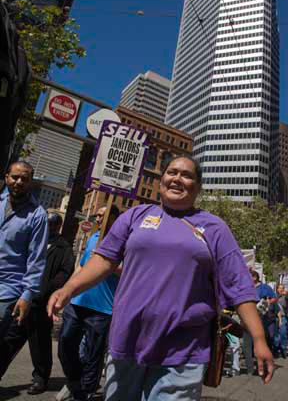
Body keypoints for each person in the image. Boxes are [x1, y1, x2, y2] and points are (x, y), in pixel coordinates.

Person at [48, 156, 274, 401]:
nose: (177, 178)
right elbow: (104, 260)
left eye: (186, 175)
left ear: (197, 187)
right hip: (126, 341)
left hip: (183, 350)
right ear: (161, 180)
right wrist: (69, 288)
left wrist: (259, 339)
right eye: (172, 172)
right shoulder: (134, 216)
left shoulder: (215, 228)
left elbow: (239, 287)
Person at [0, 212, 75, 394]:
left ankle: (41, 378)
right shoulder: (33, 240)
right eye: (46, 223)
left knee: (40, 343)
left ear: (58, 226)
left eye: (52, 224)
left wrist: (46, 291)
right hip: (22, 301)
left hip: (41, 304)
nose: (48, 227)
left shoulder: (63, 247)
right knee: (9, 339)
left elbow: (65, 272)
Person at [57, 204, 120, 401]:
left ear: (114, 218)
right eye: (97, 216)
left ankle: (86, 391)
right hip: (78, 301)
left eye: (103, 215)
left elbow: (128, 272)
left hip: (102, 307)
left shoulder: (123, 242)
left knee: (94, 355)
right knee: (65, 344)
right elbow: (82, 269)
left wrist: (108, 262)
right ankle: (75, 382)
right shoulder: (94, 238)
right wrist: (66, 290)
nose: (99, 219)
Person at [0, 161, 48, 346]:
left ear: (30, 183)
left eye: (24, 179)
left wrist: (27, 294)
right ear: (7, 178)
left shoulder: (37, 216)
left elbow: (36, 259)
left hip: (7, 290)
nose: (19, 182)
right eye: (15, 177)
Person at [273, 284, 288, 358]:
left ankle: (283, 348)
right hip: (275, 318)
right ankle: (275, 349)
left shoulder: (285, 297)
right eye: (279, 288)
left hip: (283, 317)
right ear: (276, 289)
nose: (281, 289)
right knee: (276, 336)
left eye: (282, 288)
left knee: (283, 333)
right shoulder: (274, 297)